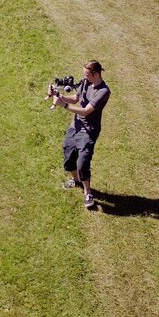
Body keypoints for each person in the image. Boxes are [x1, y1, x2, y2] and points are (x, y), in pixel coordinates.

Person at [51, 60, 111, 208]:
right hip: (75, 126)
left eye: (87, 74)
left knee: (83, 161)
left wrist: (63, 105)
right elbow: (76, 99)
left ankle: (87, 192)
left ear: (96, 74)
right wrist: (60, 96)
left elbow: (85, 111)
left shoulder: (103, 91)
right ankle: (76, 180)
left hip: (88, 131)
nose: (84, 77)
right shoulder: (85, 82)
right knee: (68, 152)